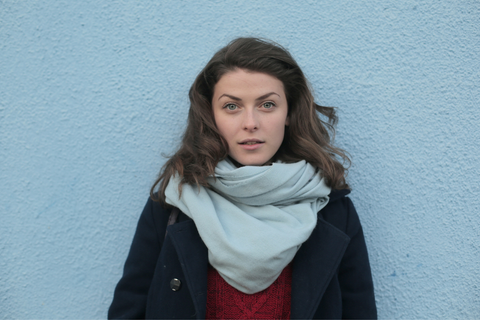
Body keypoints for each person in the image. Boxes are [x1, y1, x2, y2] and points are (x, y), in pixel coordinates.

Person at [108, 37, 376, 319]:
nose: (250, 123)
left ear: (289, 112)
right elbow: (130, 308)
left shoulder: (332, 209)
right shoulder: (174, 202)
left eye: (267, 105)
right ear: (211, 115)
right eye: (232, 107)